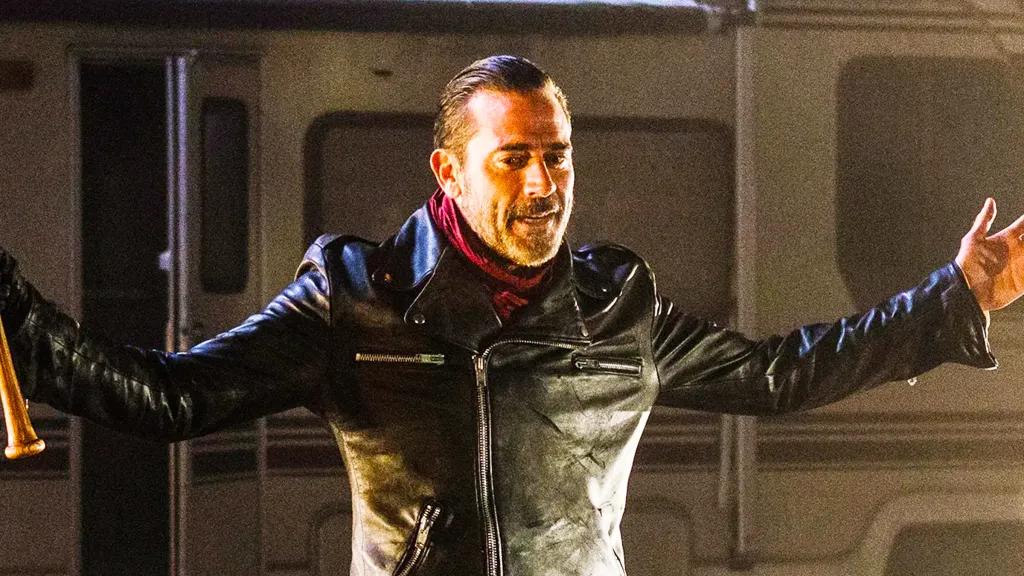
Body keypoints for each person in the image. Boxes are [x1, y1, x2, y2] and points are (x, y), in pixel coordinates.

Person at [1, 55, 1022, 576]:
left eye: (557, 156)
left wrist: (954, 297)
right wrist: (18, 321)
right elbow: (172, 397)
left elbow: (778, 374)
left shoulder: (616, 305)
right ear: (448, 171)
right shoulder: (355, 297)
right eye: (515, 159)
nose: (544, 184)